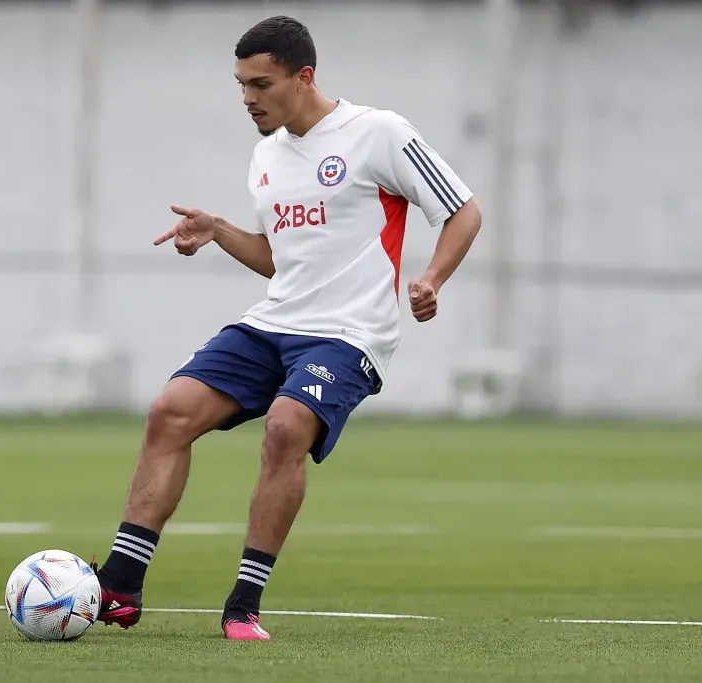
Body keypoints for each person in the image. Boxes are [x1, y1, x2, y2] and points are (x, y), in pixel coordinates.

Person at [91, 15, 482, 641]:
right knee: (171, 410)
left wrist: (432, 278)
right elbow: (280, 258)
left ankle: (243, 605)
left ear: (304, 77)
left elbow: (463, 211)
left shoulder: (377, 133)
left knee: (285, 426)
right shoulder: (266, 156)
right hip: (276, 320)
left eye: (261, 84)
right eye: (241, 84)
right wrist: (219, 231)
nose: (248, 99)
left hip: (350, 333)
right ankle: (119, 587)